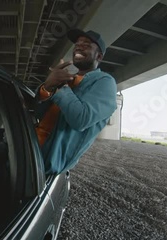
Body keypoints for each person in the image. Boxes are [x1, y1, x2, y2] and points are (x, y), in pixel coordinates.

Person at [35, 29, 117, 175]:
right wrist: (47, 86)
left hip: (42, 162)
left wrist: (60, 86)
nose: (79, 46)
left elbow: (81, 119)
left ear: (99, 56)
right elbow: (38, 113)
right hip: (26, 146)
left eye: (86, 44)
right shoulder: (68, 79)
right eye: (77, 44)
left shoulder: (105, 82)